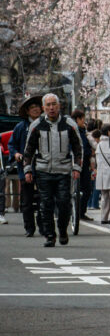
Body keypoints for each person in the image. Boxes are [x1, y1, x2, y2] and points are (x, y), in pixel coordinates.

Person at [23, 93, 82, 247]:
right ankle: (50, 235)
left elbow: (78, 147)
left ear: (59, 106)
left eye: (54, 104)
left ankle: (62, 230)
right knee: (45, 204)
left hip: (63, 170)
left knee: (64, 202)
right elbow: (28, 149)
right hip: (43, 170)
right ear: (43, 108)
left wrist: (77, 167)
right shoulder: (36, 125)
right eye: (48, 105)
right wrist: (27, 169)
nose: (51, 108)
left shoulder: (69, 124)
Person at [9, 94, 44, 237]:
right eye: (32, 107)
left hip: (43, 165)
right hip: (26, 165)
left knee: (44, 199)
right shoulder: (21, 126)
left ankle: (43, 226)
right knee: (27, 199)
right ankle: (29, 227)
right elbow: (12, 144)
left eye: (37, 107)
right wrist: (16, 154)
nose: (35, 109)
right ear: (27, 111)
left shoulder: (45, 124)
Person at [71, 109, 95, 220]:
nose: (84, 122)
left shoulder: (83, 131)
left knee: (87, 189)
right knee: (79, 189)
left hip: (84, 163)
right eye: (82, 119)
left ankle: (80, 211)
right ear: (77, 119)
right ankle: (76, 211)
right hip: (76, 162)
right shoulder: (73, 131)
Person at [95, 125, 110, 224]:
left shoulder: (99, 145)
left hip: (101, 174)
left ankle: (103, 217)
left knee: (104, 197)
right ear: (109, 132)